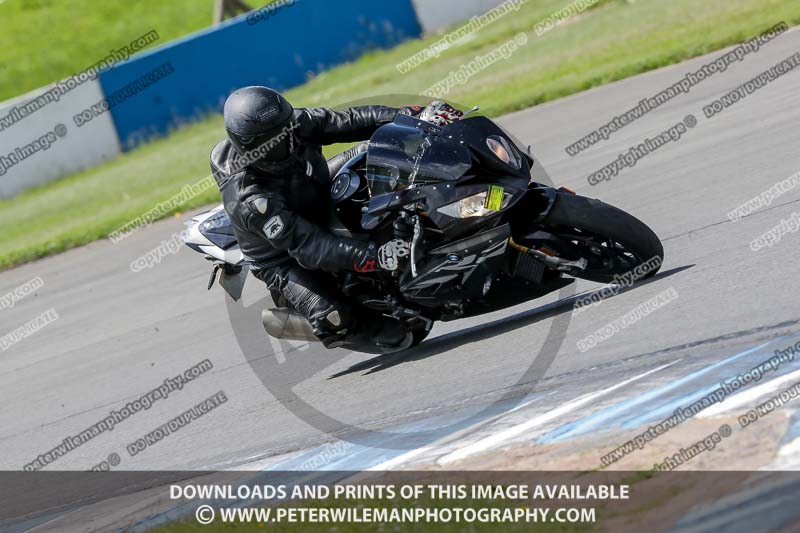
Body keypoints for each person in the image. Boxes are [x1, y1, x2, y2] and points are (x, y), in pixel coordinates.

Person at [210, 86, 426, 353]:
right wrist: (374, 256)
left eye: (285, 131)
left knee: (377, 153)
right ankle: (324, 319)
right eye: (272, 141)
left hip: (315, 189)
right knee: (339, 320)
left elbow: (347, 120)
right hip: (283, 256)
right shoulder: (251, 198)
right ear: (247, 146)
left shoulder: (292, 124)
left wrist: (411, 116)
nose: (286, 142)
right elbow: (310, 246)